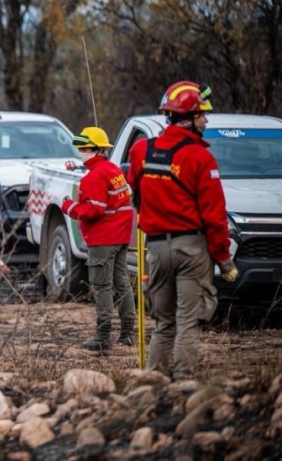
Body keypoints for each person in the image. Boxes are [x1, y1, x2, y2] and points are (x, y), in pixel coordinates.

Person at [127, 81, 237, 380]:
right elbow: (214, 217)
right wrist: (224, 260)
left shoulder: (141, 151)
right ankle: (183, 385)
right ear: (188, 117)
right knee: (187, 320)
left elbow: (135, 192)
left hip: (157, 250)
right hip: (191, 248)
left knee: (164, 323)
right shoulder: (200, 158)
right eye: (202, 115)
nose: (206, 120)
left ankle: (152, 383)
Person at [61, 127, 136, 351]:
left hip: (103, 239)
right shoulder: (114, 170)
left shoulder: (94, 177)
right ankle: (127, 334)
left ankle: (103, 337)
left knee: (102, 287)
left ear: (97, 149)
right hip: (121, 237)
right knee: (122, 284)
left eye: (84, 148)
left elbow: (93, 210)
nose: (80, 151)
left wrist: (69, 206)